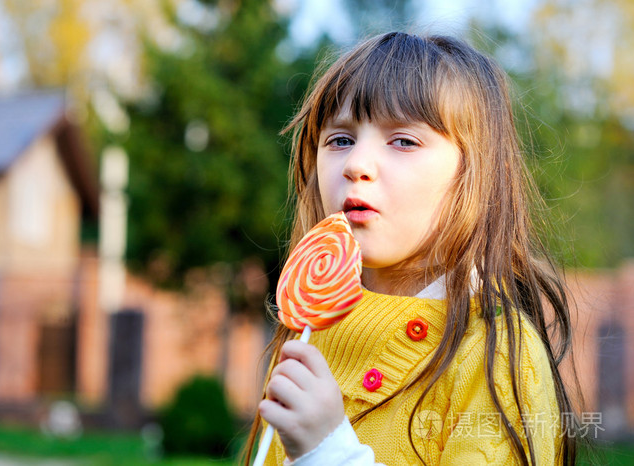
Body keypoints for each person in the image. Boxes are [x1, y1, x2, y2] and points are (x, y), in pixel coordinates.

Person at [244, 32, 581, 465]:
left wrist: (330, 453)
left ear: (473, 178)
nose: (356, 165)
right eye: (340, 140)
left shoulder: (497, 357)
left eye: (404, 141)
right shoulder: (310, 336)